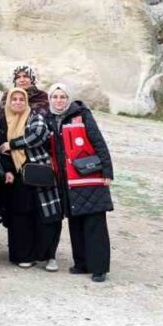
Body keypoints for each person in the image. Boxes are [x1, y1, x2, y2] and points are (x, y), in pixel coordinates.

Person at [46, 82, 114, 282]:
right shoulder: (49, 119)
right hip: (67, 181)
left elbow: (98, 141)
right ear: (50, 99)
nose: (59, 101)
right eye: (55, 97)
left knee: (94, 224)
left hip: (89, 176)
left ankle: (99, 268)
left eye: (63, 97)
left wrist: (107, 171)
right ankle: (82, 263)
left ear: (69, 99)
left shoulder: (82, 115)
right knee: (75, 224)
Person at [0, 86, 60, 268]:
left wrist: (13, 144)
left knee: (46, 215)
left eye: (21, 99)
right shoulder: (2, 121)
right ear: (8, 101)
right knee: (20, 216)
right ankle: (24, 255)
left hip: (38, 172)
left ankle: (48, 256)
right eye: (14, 99)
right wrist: (7, 168)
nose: (18, 102)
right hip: (16, 177)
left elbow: (38, 136)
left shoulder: (35, 117)